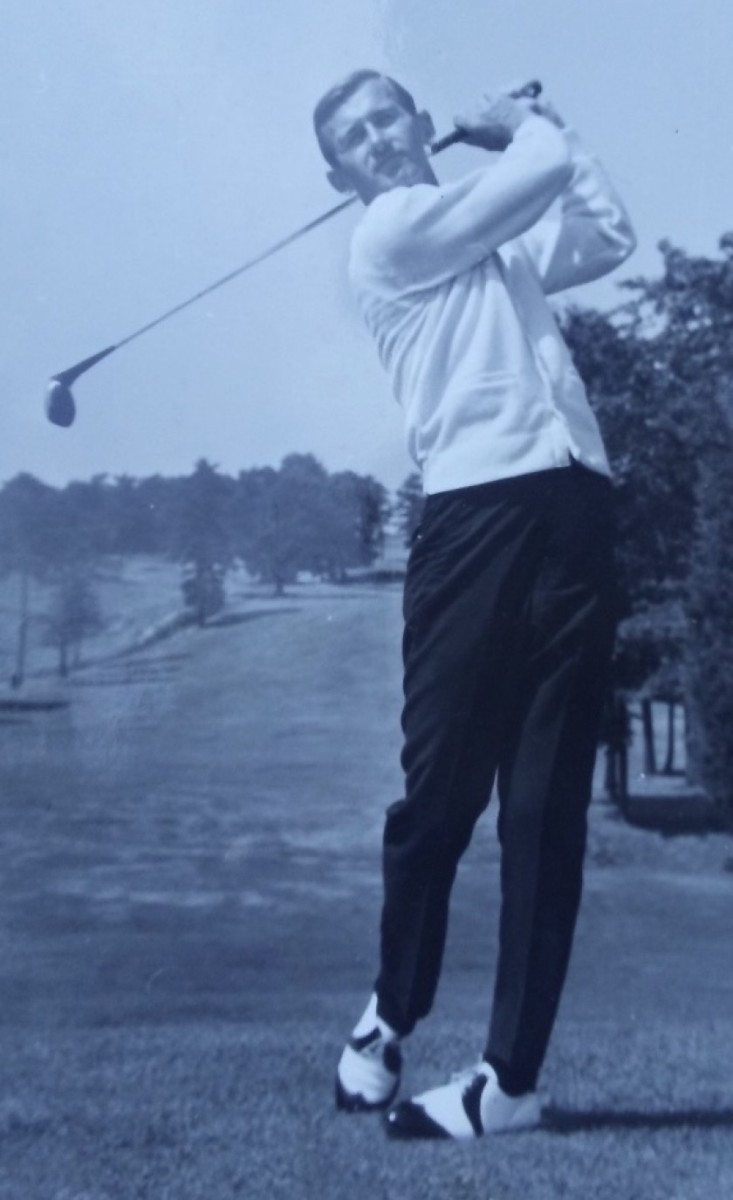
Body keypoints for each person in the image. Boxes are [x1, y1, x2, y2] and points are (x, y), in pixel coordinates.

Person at [312, 69, 636, 1141]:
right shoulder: (392, 235)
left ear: (416, 125)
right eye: (352, 139)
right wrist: (523, 127)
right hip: (473, 521)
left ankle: (510, 1082)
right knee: (441, 799)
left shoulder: (488, 249)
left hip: (574, 505)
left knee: (543, 810)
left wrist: (552, 130)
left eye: (385, 118)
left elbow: (604, 231)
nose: (375, 141)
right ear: (343, 174)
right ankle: (387, 1018)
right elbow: (536, 169)